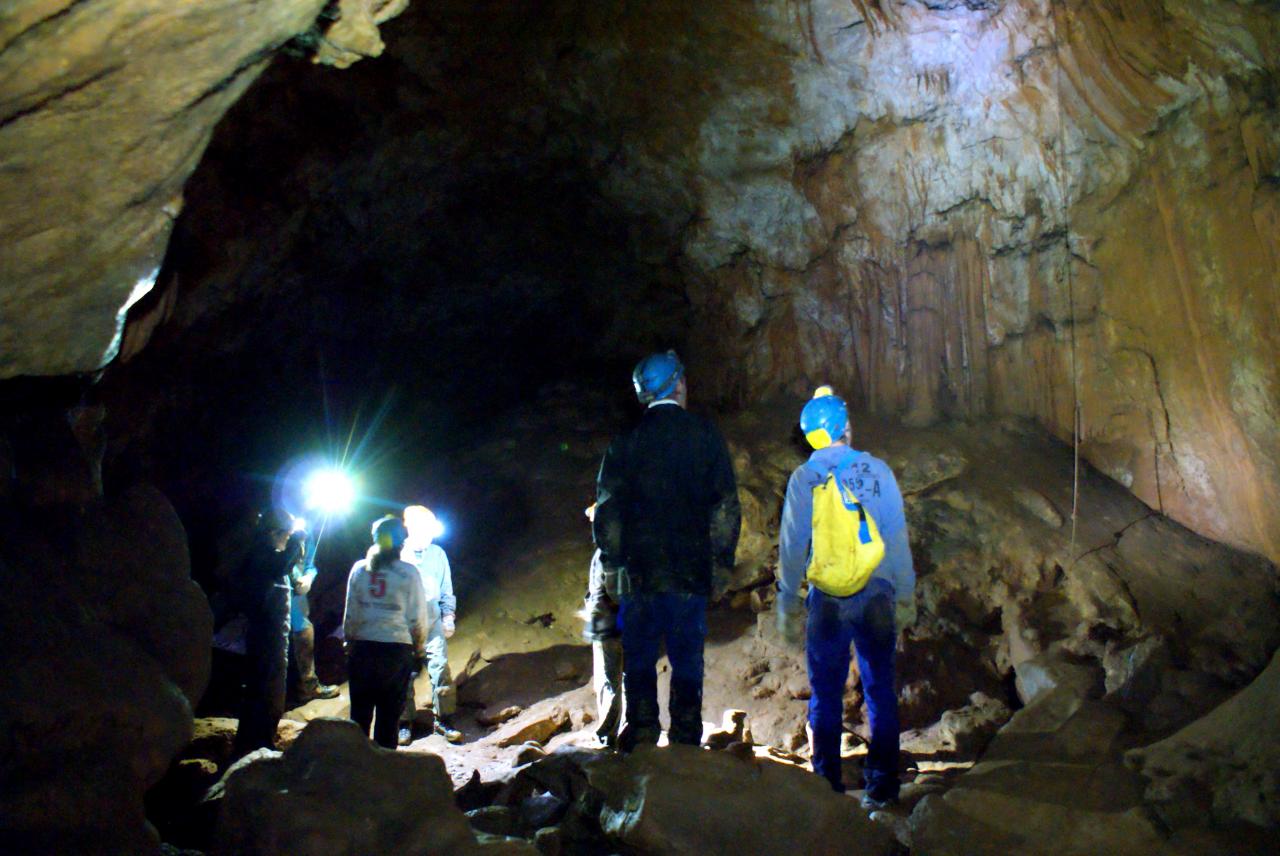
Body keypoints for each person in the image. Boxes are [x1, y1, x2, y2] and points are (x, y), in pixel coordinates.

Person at [775, 386, 916, 809]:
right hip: (875, 593)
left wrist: (787, 602)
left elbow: (792, 546)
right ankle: (883, 788)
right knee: (879, 690)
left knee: (825, 694)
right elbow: (895, 536)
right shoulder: (875, 471)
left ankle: (826, 787)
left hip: (827, 599)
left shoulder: (804, 479)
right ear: (845, 429)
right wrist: (905, 594)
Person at [594, 350, 741, 751]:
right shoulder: (705, 436)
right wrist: (721, 562)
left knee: (638, 653)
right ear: (678, 384)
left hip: (639, 573)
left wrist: (611, 565)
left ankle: (642, 731)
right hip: (689, 570)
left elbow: (608, 512)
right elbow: (725, 505)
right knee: (687, 657)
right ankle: (685, 736)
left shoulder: (625, 444)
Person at [343, 514, 428, 749]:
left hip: (363, 649)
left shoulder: (359, 569)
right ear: (402, 543)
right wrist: (419, 652)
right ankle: (384, 770)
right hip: (395, 650)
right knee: (388, 718)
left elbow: (350, 613)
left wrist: (349, 643)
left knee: (359, 716)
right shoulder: (409, 573)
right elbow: (417, 618)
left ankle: (355, 770)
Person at [229, 507, 302, 756]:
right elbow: (278, 566)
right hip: (266, 635)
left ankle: (256, 740)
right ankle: (258, 743)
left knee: (264, 687)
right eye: (286, 533)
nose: (288, 538)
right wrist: (297, 541)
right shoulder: (263, 553)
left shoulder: (263, 553)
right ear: (275, 532)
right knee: (266, 689)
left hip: (269, 635)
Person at [398, 504, 462, 744]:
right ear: (412, 529)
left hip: (432, 620)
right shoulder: (398, 554)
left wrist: (448, 616)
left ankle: (444, 719)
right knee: (403, 675)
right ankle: (404, 722)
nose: (430, 535)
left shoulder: (437, 554)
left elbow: (446, 588)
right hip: (404, 625)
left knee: (440, 669)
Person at [580, 503, 623, 747]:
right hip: (623, 620)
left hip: (608, 623)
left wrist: (595, 612)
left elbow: (606, 590)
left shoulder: (606, 551)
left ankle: (608, 734)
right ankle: (627, 730)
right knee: (623, 678)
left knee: (608, 680)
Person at [287, 552, 339, 703]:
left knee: (303, 629)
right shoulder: (275, 531)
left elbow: (310, 565)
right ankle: (297, 687)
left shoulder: (307, 534)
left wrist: (308, 577)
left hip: (297, 594)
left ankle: (306, 687)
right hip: (277, 587)